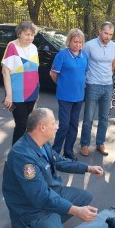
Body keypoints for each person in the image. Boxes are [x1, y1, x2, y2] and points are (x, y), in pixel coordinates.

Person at [2, 108, 104, 228]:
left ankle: (52, 225)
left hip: (50, 195)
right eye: (53, 123)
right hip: (33, 210)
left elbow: (59, 161)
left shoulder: (42, 143)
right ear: (42, 127)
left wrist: (87, 168)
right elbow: (40, 197)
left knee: (85, 197)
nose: (56, 126)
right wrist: (76, 211)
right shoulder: (22, 156)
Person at [80, 22, 115, 157]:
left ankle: (100, 143)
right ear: (100, 31)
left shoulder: (114, 46)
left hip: (108, 86)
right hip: (93, 85)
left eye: (110, 34)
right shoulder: (89, 45)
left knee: (104, 118)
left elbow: (113, 64)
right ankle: (84, 144)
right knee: (88, 117)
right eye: (105, 33)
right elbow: (83, 63)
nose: (108, 36)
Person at [50, 28, 88, 160]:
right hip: (65, 97)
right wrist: (63, 85)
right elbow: (53, 74)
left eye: (80, 42)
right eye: (75, 42)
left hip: (79, 96)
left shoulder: (84, 55)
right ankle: (55, 152)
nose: (77, 45)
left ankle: (68, 151)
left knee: (73, 125)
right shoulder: (62, 55)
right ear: (69, 41)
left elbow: (84, 73)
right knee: (64, 125)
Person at [2, 21, 40, 145]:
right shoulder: (12, 46)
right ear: (19, 33)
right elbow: (5, 72)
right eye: (27, 34)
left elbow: (35, 71)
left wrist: (37, 91)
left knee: (29, 124)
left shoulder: (34, 48)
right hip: (17, 93)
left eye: (32, 35)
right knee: (21, 124)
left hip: (32, 93)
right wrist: (9, 95)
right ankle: (15, 155)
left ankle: (25, 152)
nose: (30, 38)